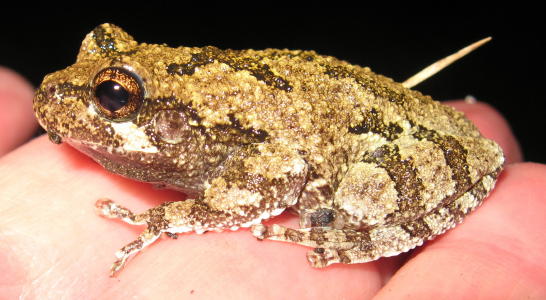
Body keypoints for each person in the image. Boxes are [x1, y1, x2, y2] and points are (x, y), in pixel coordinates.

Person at [1, 66, 544, 299]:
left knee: (351, 202)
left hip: (390, 143)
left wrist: (172, 215)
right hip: (336, 113)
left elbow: (275, 172)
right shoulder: (192, 124)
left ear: (165, 118)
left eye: (114, 99)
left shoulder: (206, 128)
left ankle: (363, 236)